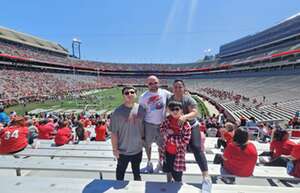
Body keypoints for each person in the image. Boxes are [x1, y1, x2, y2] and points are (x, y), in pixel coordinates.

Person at [168, 79, 209, 182]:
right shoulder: (169, 99)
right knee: (174, 151)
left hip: (191, 126)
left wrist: (184, 117)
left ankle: (205, 175)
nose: (177, 89)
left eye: (180, 87)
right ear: (173, 88)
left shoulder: (188, 99)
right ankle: (173, 177)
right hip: (177, 128)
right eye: (175, 87)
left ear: (184, 88)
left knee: (196, 147)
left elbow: (195, 112)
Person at [109, 86, 146, 181]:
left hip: (137, 149)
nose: (129, 94)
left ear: (135, 94)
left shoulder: (141, 109)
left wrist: (142, 140)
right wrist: (114, 149)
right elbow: (113, 133)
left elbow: (143, 126)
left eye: (132, 92)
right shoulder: (117, 112)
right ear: (123, 96)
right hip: (122, 150)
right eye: (126, 93)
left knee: (137, 173)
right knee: (120, 174)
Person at [139, 75, 171, 173]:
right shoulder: (143, 97)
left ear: (159, 82)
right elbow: (141, 114)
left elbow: (175, 101)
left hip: (162, 124)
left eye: (155, 82)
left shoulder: (166, 93)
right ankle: (149, 162)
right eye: (150, 83)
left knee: (161, 146)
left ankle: (160, 162)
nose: (153, 85)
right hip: (148, 124)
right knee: (147, 145)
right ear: (147, 85)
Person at [160, 101, 191, 182]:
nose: (174, 111)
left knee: (177, 175)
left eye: (177, 109)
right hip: (167, 152)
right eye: (172, 109)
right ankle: (169, 183)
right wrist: (167, 133)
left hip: (178, 154)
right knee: (168, 170)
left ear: (181, 110)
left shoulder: (186, 124)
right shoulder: (167, 119)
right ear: (169, 111)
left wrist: (169, 137)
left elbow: (185, 141)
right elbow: (162, 130)